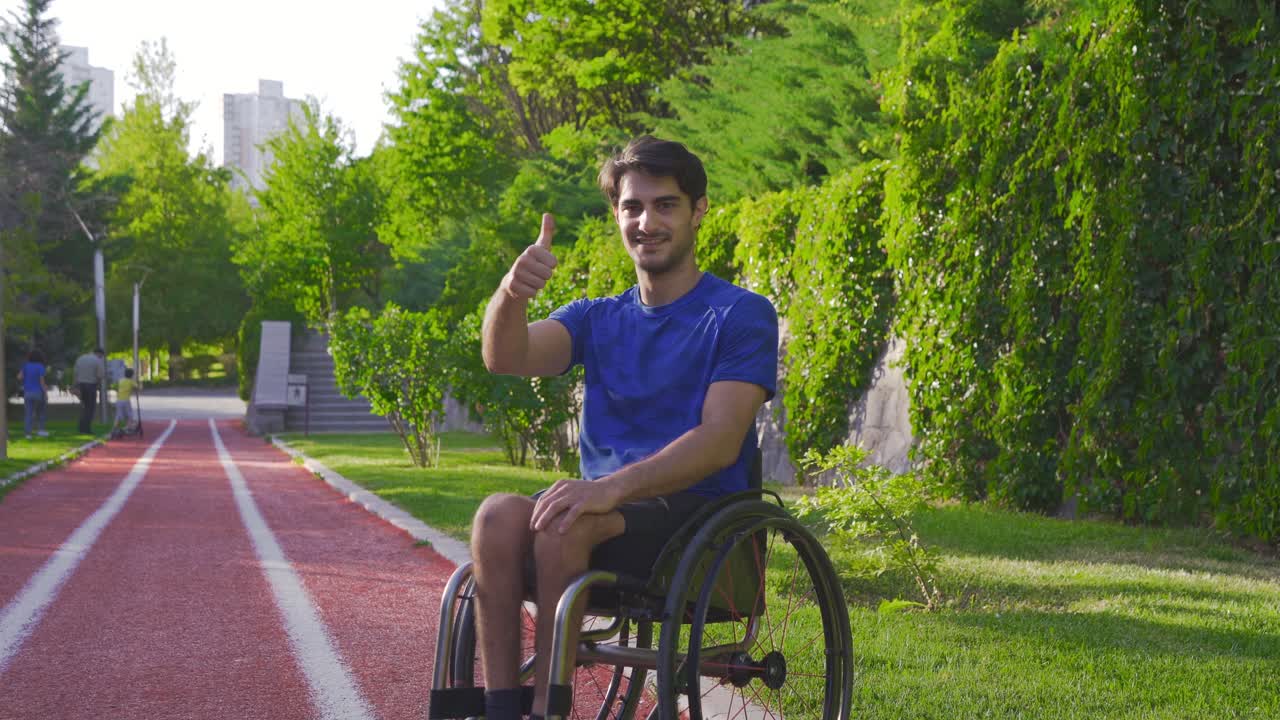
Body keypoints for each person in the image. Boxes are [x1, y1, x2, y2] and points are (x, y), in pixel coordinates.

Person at [472, 136, 778, 720]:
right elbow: (504, 355)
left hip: (695, 516)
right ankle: (500, 706)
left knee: (565, 524)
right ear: (616, 214)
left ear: (699, 210)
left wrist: (610, 488)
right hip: (601, 509)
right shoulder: (596, 316)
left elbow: (719, 440)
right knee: (494, 517)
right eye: (632, 207)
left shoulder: (741, 314)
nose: (647, 221)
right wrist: (511, 293)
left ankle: (547, 709)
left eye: (666, 205)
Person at [73, 347, 106, 434]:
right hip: (91, 385)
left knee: (84, 407)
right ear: (100, 354)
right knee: (90, 408)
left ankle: (81, 428)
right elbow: (101, 375)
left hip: (80, 385)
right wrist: (97, 386)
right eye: (101, 356)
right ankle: (86, 429)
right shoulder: (97, 360)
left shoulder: (81, 358)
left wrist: (75, 386)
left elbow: (75, 373)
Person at [17, 350, 49, 439]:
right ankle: (41, 430)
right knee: (41, 412)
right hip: (38, 392)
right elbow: (42, 381)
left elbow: (19, 377)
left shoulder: (26, 366)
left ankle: (28, 434)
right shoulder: (40, 366)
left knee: (28, 413)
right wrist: (46, 393)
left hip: (27, 392)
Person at [111, 367, 137, 435]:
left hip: (119, 399)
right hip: (126, 400)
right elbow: (138, 388)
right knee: (129, 414)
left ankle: (114, 428)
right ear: (131, 375)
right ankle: (128, 428)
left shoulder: (121, 380)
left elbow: (115, 387)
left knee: (118, 415)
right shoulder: (131, 381)